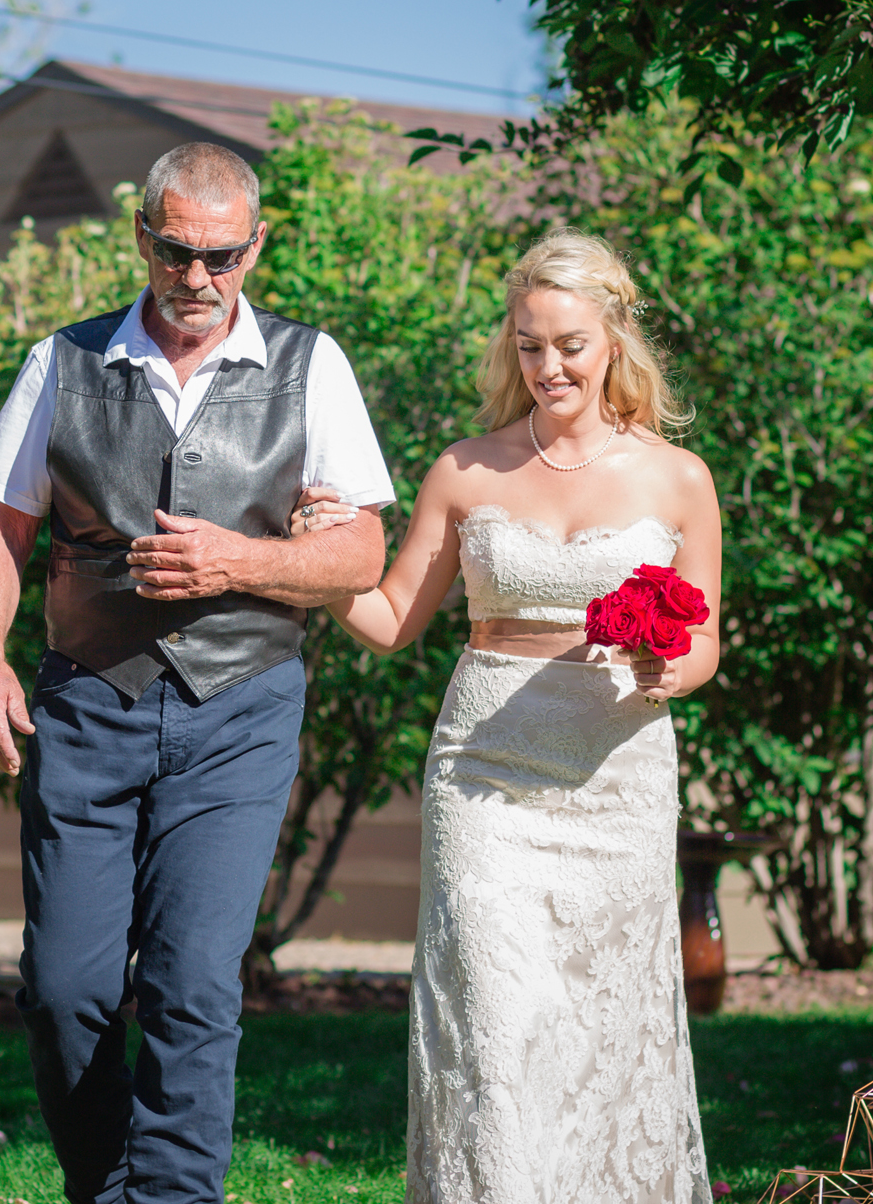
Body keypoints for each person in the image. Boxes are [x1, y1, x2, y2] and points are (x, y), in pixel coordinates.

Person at [0, 141, 395, 1204]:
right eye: (173, 252)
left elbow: (359, 555)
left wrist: (238, 558)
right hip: (85, 703)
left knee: (194, 984)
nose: (195, 279)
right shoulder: (61, 363)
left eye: (220, 257)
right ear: (140, 235)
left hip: (238, 711)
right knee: (64, 992)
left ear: (255, 245)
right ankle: (107, 1191)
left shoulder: (308, 365)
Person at [294, 228, 720, 1204]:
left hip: (615, 775)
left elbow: (703, 641)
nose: (546, 365)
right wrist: (314, 569)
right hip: (484, 776)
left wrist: (668, 667)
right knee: (488, 1023)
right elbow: (394, 616)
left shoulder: (676, 477)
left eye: (567, 342)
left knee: (599, 1028)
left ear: (611, 337)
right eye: (528, 345)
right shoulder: (464, 469)